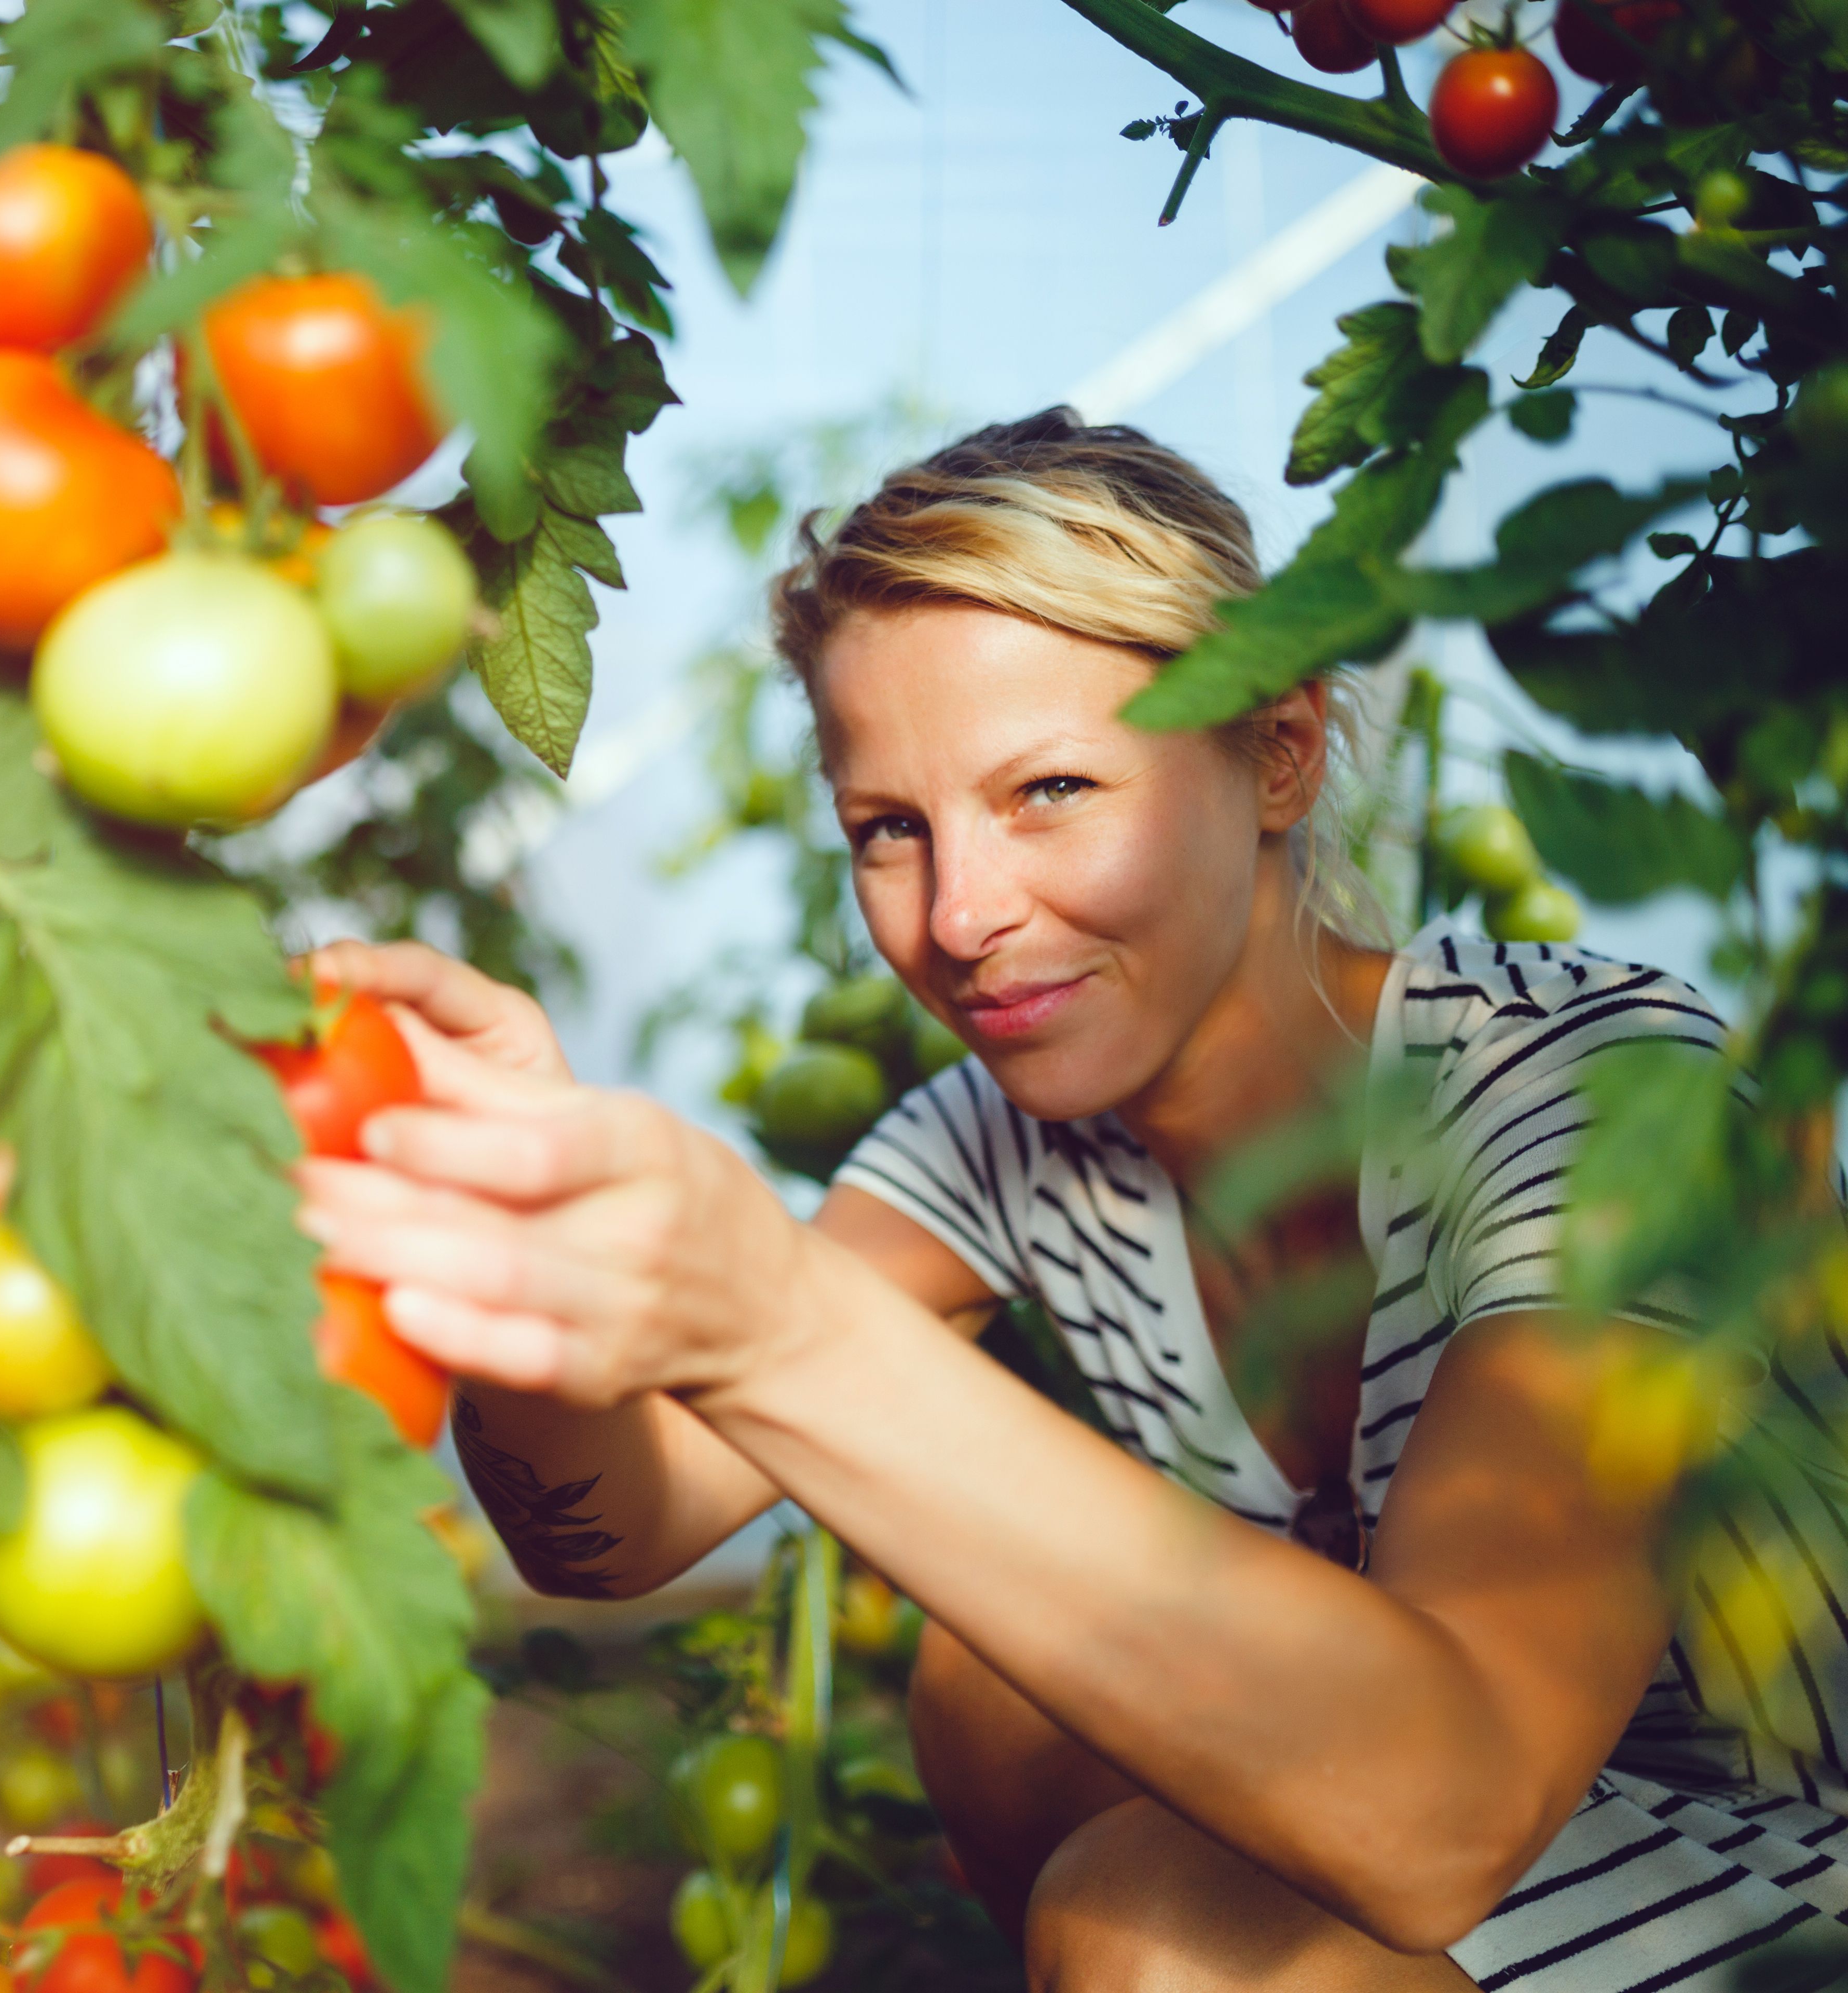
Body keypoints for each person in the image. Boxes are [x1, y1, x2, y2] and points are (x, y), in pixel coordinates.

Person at [295, 412, 1848, 1991]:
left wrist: (782, 1324)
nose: (961, 916)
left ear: (1280, 756)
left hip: (1786, 1897)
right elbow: (614, 1531)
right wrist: (508, 1222)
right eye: (889, 830)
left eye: (1049, 790)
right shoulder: (999, 1146)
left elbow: (1450, 1802)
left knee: (1152, 1928)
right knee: (1000, 1689)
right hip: (1488, 1881)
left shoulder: (1583, 1086)